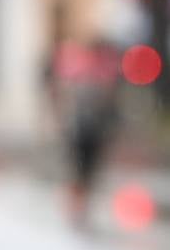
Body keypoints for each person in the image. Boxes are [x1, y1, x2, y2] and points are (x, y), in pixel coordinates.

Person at [49, 36, 120, 230]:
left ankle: (82, 208)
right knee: (78, 173)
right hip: (78, 132)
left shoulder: (105, 72)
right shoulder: (78, 68)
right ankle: (76, 208)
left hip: (94, 133)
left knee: (89, 174)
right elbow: (65, 97)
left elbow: (110, 106)